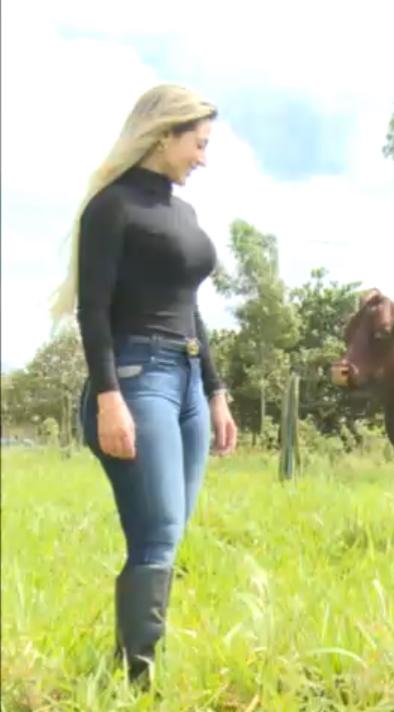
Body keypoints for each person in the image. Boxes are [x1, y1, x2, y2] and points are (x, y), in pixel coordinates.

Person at [49, 83, 239, 685]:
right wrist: (109, 398)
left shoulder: (183, 213)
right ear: (164, 135)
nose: (203, 159)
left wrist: (215, 392)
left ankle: (128, 665)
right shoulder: (111, 206)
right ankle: (139, 683)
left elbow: (192, 309)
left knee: (171, 530)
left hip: (183, 380)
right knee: (156, 532)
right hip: (136, 377)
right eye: (198, 144)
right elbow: (93, 310)